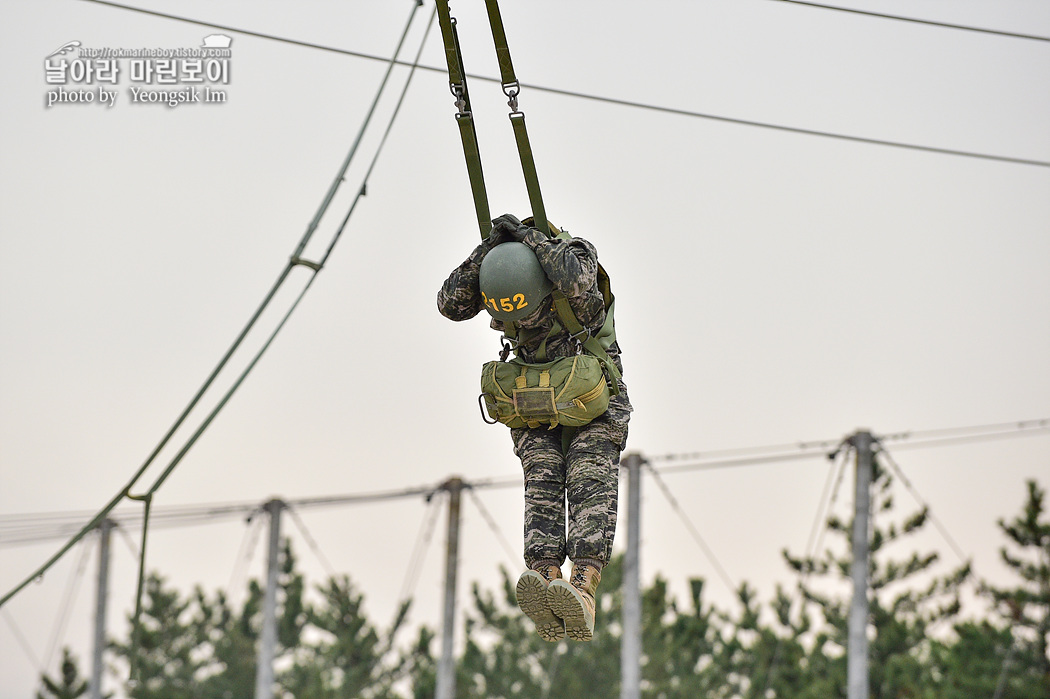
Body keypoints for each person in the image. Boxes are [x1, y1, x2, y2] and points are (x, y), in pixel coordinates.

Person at [437, 214, 632, 642]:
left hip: (594, 400)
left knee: (588, 475)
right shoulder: (502, 280)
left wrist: (532, 240)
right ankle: (545, 577)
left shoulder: (570, 264)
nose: (522, 323)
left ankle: (583, 586)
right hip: (539, 398)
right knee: (541, 476)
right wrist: (486, 252)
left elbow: (579, 279)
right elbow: (450, 304)